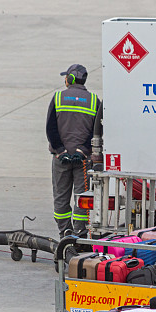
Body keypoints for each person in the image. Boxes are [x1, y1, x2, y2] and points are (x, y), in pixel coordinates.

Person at [45, 64, 102, 238]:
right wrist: (82, 150)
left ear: (70, 79)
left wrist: (61, 151)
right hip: (83, 160)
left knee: (61, 196)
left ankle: (65, 232)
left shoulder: (58, 98)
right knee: (82, 197)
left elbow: (51, 128)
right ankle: (80, 232)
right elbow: (96, 132)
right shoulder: (94, 100)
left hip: (60, 158)